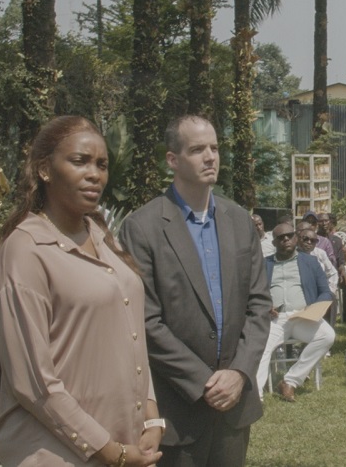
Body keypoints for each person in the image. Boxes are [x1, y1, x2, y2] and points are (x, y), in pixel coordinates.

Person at [0, 116, 163, 466]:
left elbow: (132, 340)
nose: (95, 174)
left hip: (124, 445)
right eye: (79, 161)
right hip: (58, 454)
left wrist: (151, 416)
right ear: (44, 170)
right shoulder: (26, 250)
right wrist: (109, 450)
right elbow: (34, 384)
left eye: (102, 164)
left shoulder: (103, 238)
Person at [119, 115, 271, 467]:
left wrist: (239, 372)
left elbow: (260, 305)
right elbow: (144, 320)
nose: (210, 157)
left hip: (234, 407)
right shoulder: (142, 228)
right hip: (178, 408)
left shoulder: (239, 221)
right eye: (198, 149)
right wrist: (203, 381)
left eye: (215, 148)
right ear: (173, 160)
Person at [256, 223, 335, 402]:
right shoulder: (264, 264)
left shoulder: (310, 262)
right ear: (274, 242)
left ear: (295, 238)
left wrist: (314, 308)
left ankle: (290, 381)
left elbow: (325, 291)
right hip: (275, 319)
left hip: (303, 316)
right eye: (280, 238)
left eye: (289, 236)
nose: (285, 240)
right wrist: (265, 304)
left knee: (327, 336)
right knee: (260, 347)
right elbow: (253, 292)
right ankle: (256, 395)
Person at [298, 226, 339, 325]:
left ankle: (329, 327)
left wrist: (330, 290)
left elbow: (332, 273)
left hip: (320, 288)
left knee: (331, 298)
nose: (309, 242)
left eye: (313, 240)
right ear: (298, 239)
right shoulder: (294, 254)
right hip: (301, 289)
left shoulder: (320, 253)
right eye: (305, 239)